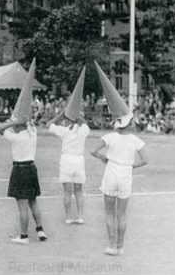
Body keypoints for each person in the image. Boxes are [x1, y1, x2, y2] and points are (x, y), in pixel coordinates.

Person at [90, 62, 147, 256]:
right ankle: (120, 246)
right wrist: (132, 166)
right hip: (125, 173)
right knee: (122, 213)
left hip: (111, 171)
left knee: (109, 212)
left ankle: (111, 245)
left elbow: (93, 151)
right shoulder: (135, 140)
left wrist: (104, 159)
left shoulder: (110, 137)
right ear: (129, 125)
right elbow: (145, 160)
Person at [0, 59, 47, 244]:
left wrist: (13, 121)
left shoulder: (15, 136)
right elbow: (30, 121)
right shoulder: (32, 132)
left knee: (22, 205)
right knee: (33, 201)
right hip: (31, 167)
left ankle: (24, 236)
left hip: (20, 169)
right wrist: (22, 120)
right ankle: (40, 231)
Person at [48, 67, 90, 224]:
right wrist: (75, 115)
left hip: (67, 160)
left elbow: (49, 124)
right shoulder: (82, 130)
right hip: (78, 160)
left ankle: (67, 217)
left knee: (67, 191)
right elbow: (85, 123)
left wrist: (62, 114)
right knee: (79, 190)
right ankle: (79, 216)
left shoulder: (64, 130)